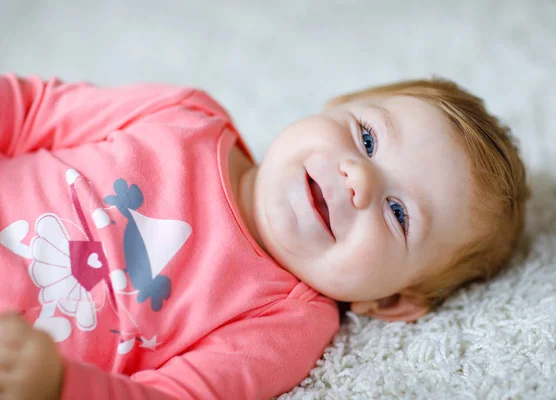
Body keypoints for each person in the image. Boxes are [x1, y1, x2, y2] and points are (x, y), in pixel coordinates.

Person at [0, 74, 528, 399]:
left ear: (388, 301)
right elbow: (29, 110)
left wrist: (59, 387)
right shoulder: (181, 116)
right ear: (332, 105)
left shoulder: (284, 323)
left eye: (398, 213)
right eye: (366, 137)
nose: (359, 179)